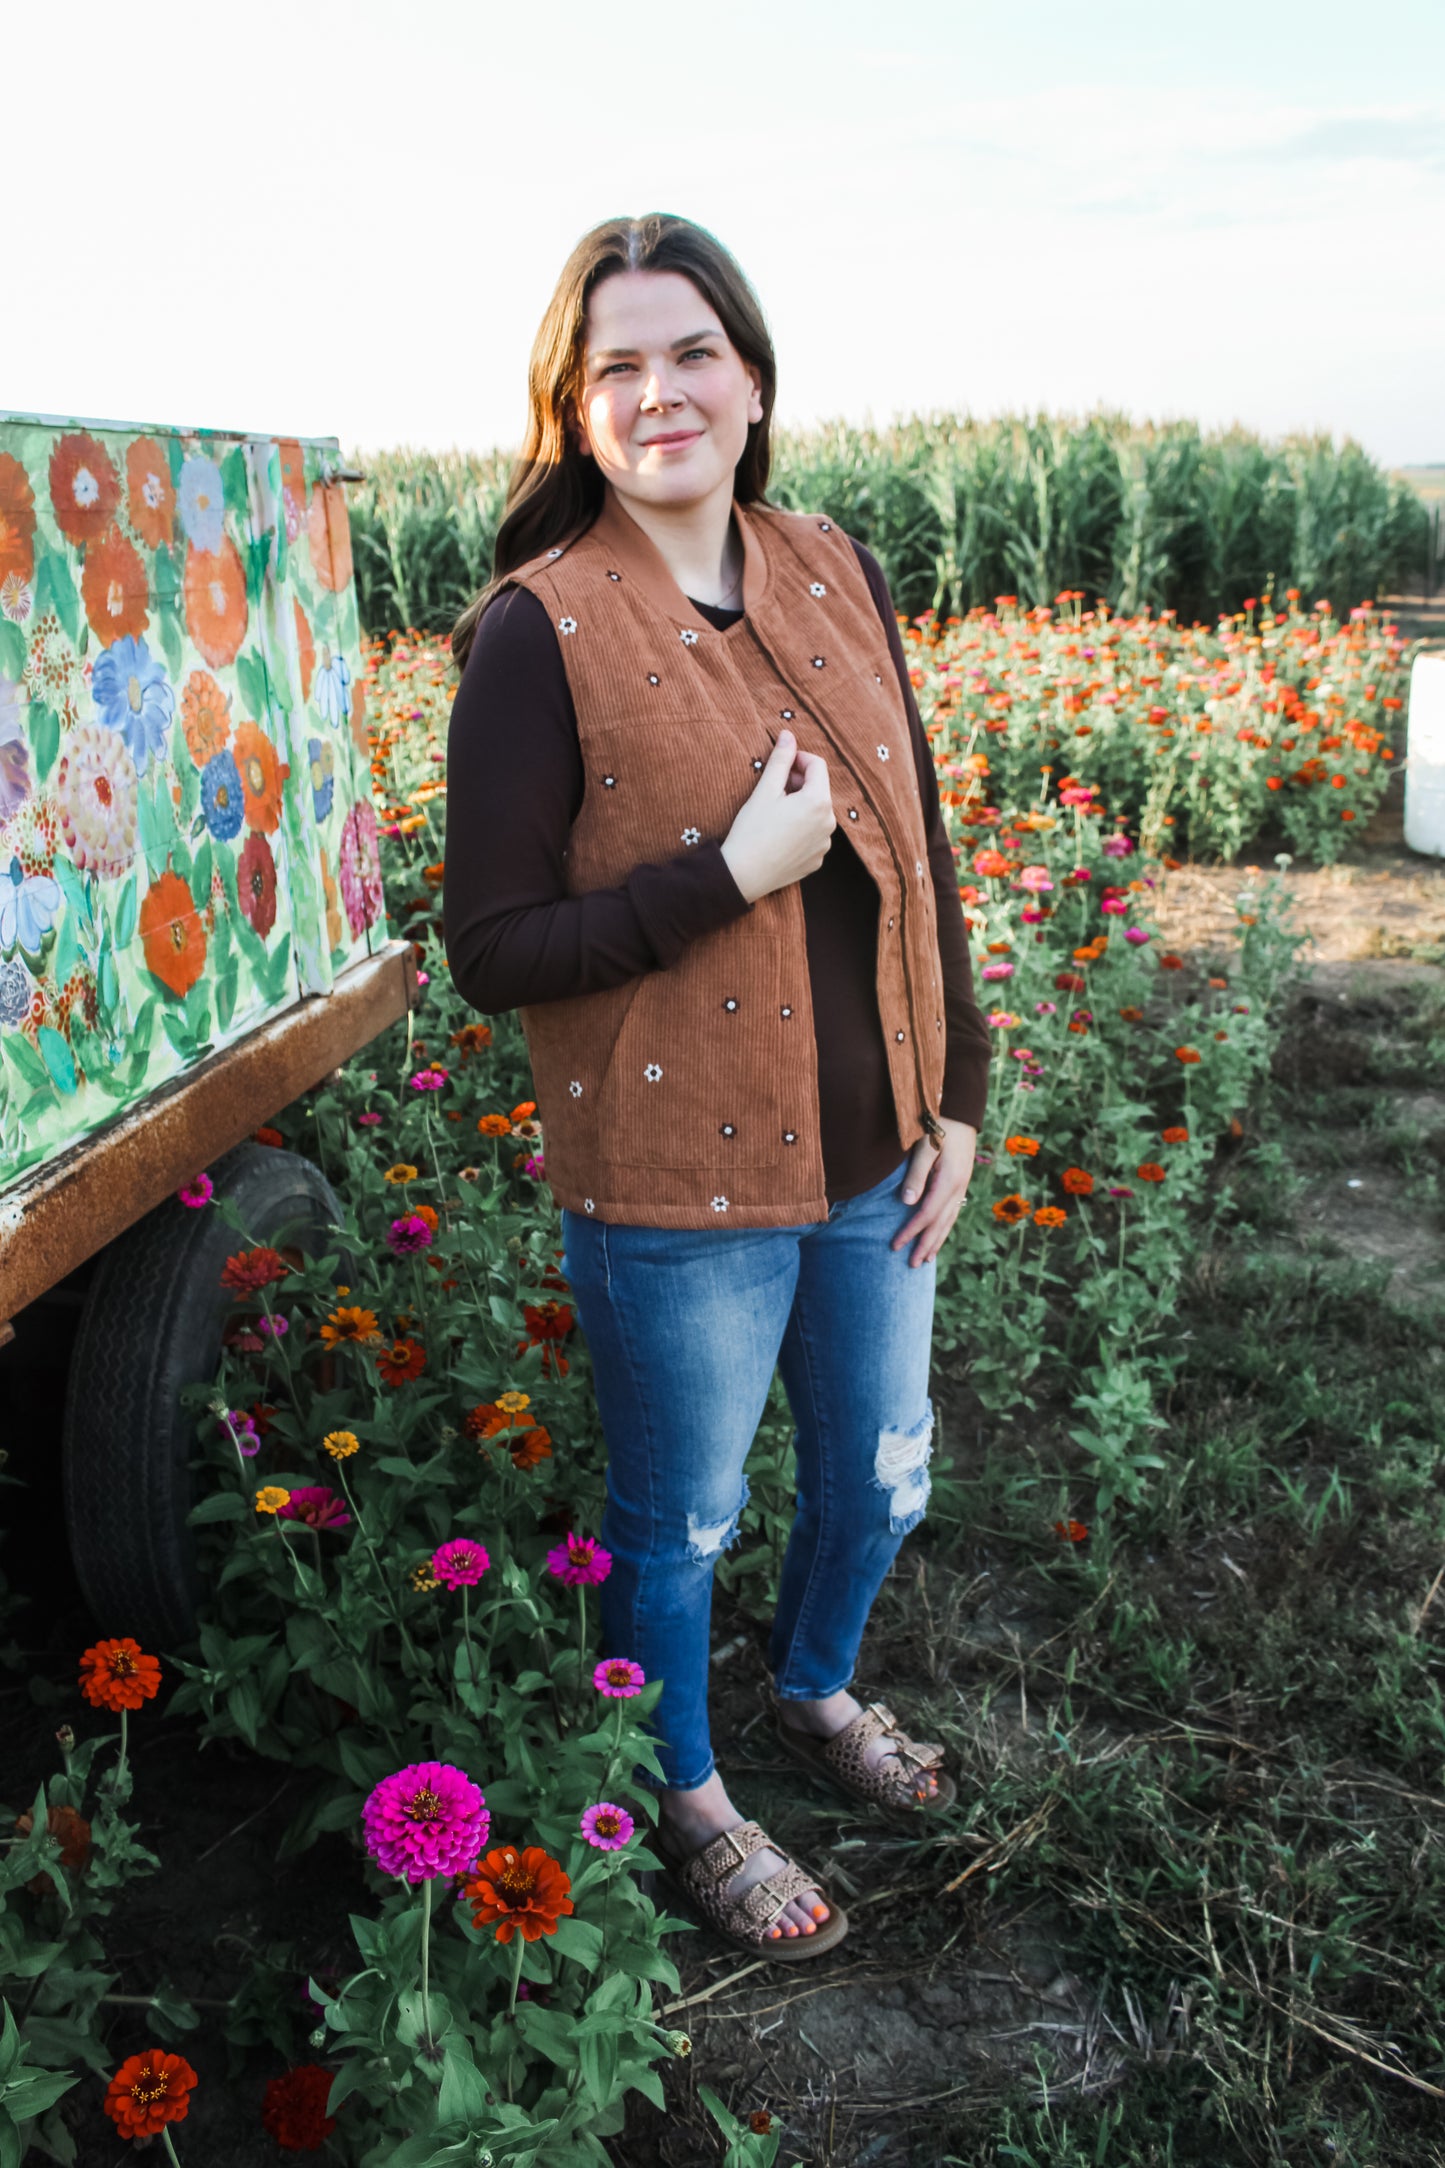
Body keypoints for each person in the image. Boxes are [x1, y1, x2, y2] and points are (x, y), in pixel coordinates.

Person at [444, 213, 990, 1963]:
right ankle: (686, 1791)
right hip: (679, 1183)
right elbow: (494, 947)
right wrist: (726, 875)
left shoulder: (836, 566)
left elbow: (920, 853)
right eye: (616, 366)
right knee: (679, 1518)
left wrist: (958, 1096)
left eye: (690, 351)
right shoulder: (538, 634)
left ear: (750, 378)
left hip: (877, 1147)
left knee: (881, 1478)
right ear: (573, 409)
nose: (658, 389)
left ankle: (817, 1690)